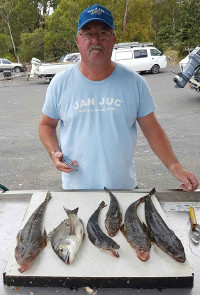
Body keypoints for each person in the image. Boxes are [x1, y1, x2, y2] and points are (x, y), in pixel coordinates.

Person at [38, 4, 199, 191]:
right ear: (78, 40)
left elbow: (152, 129)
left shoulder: (134, 83)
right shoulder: (60, 83)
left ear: (113, 39)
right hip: (75, 189)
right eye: (88, 33)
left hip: (124, 189)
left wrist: (174, 166)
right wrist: (53, 152)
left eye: (103, 33)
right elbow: (46, 125)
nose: (95, 40)